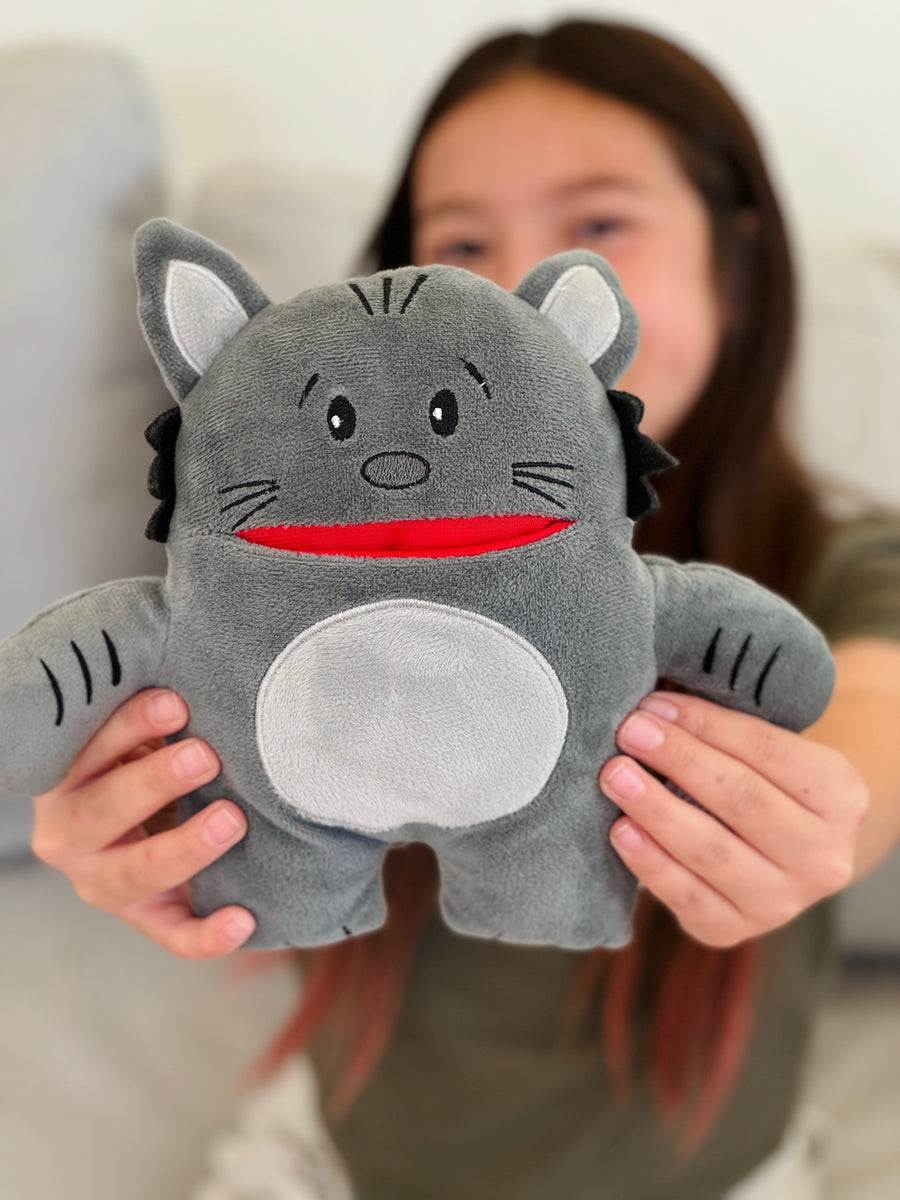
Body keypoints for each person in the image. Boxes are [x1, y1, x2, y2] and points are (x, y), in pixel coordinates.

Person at [30, 19, 900, 1200]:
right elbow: (161, 696)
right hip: (326, 1164)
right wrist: (115, 806)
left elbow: (868, 720)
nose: (515, 287)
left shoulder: (850, 560)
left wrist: (820, 815)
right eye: (462, 241)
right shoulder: (272, 565)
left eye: (600, 223)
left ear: (737, 261)